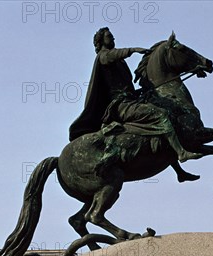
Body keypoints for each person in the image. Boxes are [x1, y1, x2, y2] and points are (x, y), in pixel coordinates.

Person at [69, 28, 200, 182]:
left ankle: (179, 171)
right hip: (121, 106)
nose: (113, 38)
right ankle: (181, 153)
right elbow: (112, 55)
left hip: (129, 100)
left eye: (112, 35)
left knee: (166, 116)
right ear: (101, 41)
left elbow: (126, 86)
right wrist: (133, 50)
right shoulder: (103, 56)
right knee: (160, 115)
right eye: (109, 36)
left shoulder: (119, 62)